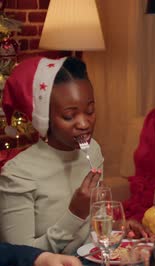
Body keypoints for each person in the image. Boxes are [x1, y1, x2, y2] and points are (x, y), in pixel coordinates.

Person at [0, 56, 102, 254]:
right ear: (45, 119)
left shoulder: (93, 151)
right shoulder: (18, 174)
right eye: (69, 116)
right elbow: (21, 259)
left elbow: (94, 231)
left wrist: (115, 230)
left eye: (89, 110)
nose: (84, 123)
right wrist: (75, 214)